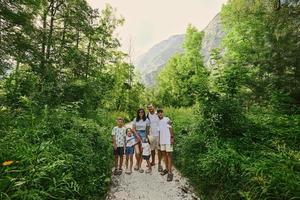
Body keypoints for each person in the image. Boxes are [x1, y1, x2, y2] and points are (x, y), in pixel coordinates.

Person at [157, 109, 174, 181]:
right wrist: (159, 141)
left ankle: (170, 173)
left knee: (169, 155)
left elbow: (170, 128)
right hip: (162, 141)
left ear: (163, 113)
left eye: (161, 112)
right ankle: (166, 169)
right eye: (159, 113)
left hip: (168, 140)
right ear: (157, 114)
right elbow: (159, 132)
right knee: (164, 155)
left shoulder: (167, 119)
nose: (160, 114)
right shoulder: (158, 122)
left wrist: (172, 137)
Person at [132, 108, 150, 173]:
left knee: (142, 151)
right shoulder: (135, 119)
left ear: (144, 113)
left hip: (144, 136)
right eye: (139, 112)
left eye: (142, 112)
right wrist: (137, 136)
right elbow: (133, 129)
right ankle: (136, 162)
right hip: (136, 135)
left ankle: (139, 166)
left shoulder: (147, 120)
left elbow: (147, 130)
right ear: (138, 113)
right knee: (137, 152)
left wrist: (146, 137)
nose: (141, 113)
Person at [146, 104, 162, 171]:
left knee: (159, 149)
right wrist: (147, 135)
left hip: (159, 134)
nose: (150, 108)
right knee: (152, 149)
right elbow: (147, 126)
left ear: (154, 107)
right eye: (149, 108)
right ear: (148, 109)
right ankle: (153, 162)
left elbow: (163, 119)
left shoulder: (157, 113)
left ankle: (159, 164)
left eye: (151, 107)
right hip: (151, 135)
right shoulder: (147, 115)